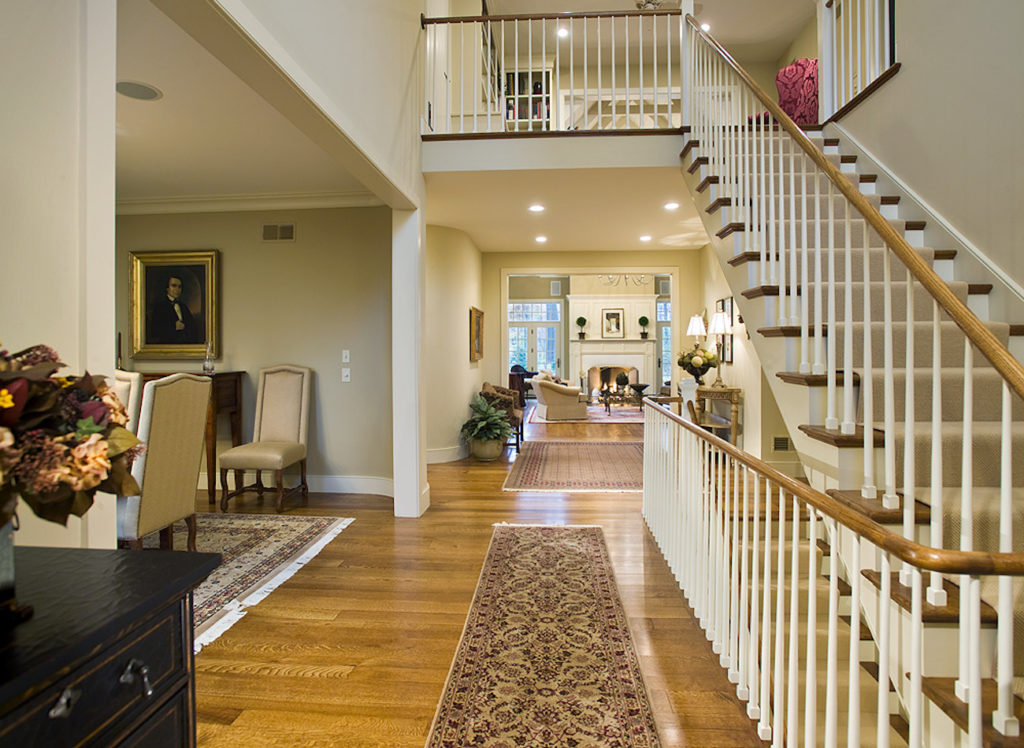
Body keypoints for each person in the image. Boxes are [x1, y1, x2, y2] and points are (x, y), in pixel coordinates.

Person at [148, 274, 200, 344]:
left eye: (179, 287)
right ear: (167, 288)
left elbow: (193, 327)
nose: (177, 289)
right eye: (174, 286)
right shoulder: (160, 307)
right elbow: (155, 330)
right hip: (168, 345)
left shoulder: (183, 306)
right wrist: (174, 327)